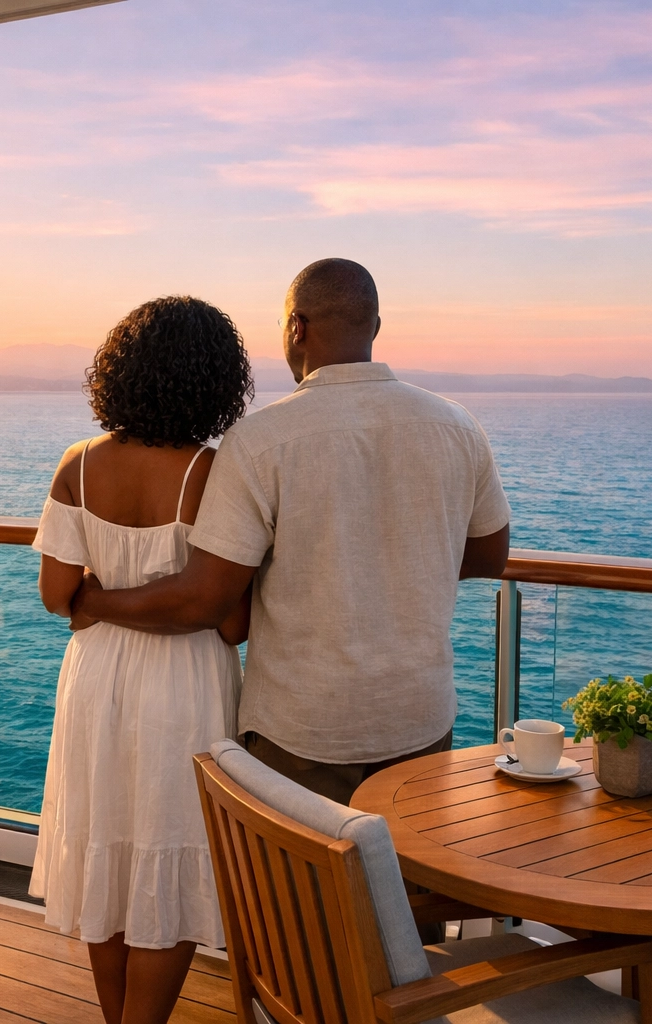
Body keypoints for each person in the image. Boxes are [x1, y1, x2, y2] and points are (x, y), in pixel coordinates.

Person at [71, 259, 512, 805]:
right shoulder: (458, 426)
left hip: (302, 730)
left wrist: (93, 598)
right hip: (418, 716)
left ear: (296, 327)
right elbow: (490, 557)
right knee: (407, 883)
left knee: (300, 887)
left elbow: (204, 602)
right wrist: (403, 559)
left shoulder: (260, 441)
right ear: (374, 326)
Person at [31, 295, 254, 1024]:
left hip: (96, 678)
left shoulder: (78, 465)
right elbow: (230, 620)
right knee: (171, 851)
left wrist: (97, 601)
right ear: (216, 380)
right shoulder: (214, 473)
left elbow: (57, 595)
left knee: (111, 853)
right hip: (185, 683)